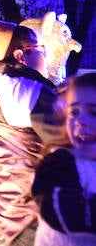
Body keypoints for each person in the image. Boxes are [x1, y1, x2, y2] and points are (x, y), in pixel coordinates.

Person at [0, 22, 64, 246]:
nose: (45, 56)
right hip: (33, 221)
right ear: (20, 56)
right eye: (41, 49)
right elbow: (70, 141)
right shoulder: (24, 89)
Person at [32, 72, 96, 245]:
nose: (81, 121)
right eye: (74, 112)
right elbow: (57, 207)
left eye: (94, 112)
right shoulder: (59, 161)